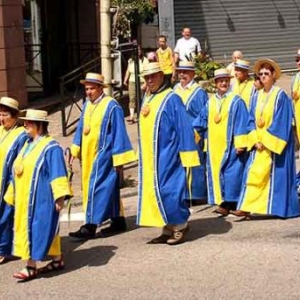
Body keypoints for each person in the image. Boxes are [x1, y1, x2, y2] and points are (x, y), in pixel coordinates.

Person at [3, 109, 71, 281]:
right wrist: (11, 194)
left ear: (40, 125)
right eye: (25, 122)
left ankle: (30, 266)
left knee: (36, 230)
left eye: (30, 123)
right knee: (46, 229)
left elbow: (58, 173)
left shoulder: (51, 147)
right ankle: (57, 259)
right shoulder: (28, 144)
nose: (25, 125)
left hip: (42, 198)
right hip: (26, 197)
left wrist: (60, 197)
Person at [137, 62, 200, 245]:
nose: (149, 80)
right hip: (151, 155)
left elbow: (183, 127)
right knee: (155, 191)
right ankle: (168, 227)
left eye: (153, 76)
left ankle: (180, 224)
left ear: (161, 76)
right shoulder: (148, 97)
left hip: (168, 154)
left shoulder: (172, 98)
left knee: (169, 190)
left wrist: (188, 155)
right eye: (146, 77)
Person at [69, 73, 136, 241]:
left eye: (92, 88)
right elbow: (81, 128)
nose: (89, 92)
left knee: (96, 187)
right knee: (110, 187)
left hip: (104, 154)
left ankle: (90, 225)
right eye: (86, 89)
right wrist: (74, 149)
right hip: (87, 154)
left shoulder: (111, 106)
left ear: (100, 88)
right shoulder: (87, 106)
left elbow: (119, 133)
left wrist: (119, 160)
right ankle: (118, 220)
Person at [234, 59, 300, 218]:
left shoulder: (280, 96)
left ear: (273, 75)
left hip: (273, 144)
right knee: (253, 173)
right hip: (258, 143)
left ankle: (280, 208)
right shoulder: (256, 96)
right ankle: (246, 206)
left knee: (273, 178)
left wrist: (266, 141)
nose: (263, 77)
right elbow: (250, 120)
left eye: (266, 74)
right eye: (261, 74)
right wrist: (255, 139)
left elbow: (282, 121)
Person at [194, 68, 248, 216]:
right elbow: (200, 121)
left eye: (226, 80)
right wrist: (192, 138)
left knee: (232, 174)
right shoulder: (210, 102)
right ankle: (224, 203)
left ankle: (235, 203)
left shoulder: (236, 101)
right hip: (214, 146)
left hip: (231, 145)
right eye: (220, 81)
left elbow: (242, 121)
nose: (223, 83)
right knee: (217, 174)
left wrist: (241, 143)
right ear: (215, 83)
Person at [173, 61, 208, 203]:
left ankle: (196, 194)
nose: (182, 74)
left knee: (195, 164)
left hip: (194, 133)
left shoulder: (199, 93)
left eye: (185, 72)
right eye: (180, 71)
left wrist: (196, 130)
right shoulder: (175, 89)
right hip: (177, 133)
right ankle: (181, 192)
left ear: (192, 74)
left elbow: (203, 114)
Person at [0, 97, 27, 264]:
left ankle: (5, 249)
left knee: (6, 215)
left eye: (5, 115)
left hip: (10, 182)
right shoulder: (1, 130)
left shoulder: (21, 135)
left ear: (15, 116)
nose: (2, 119)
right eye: (0, 114)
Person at [123, 45, 149, 123]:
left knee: (142, 98)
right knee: (132, 98)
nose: (138, 51)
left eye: (139, 50)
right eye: (137, 50)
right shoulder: (131, 60)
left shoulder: (145, 60)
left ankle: (143, 115)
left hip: (142, 81)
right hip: (132, 81)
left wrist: (146, 83)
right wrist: (125, 80)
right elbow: (128, 70)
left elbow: (147, 72)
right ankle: (131, 116)